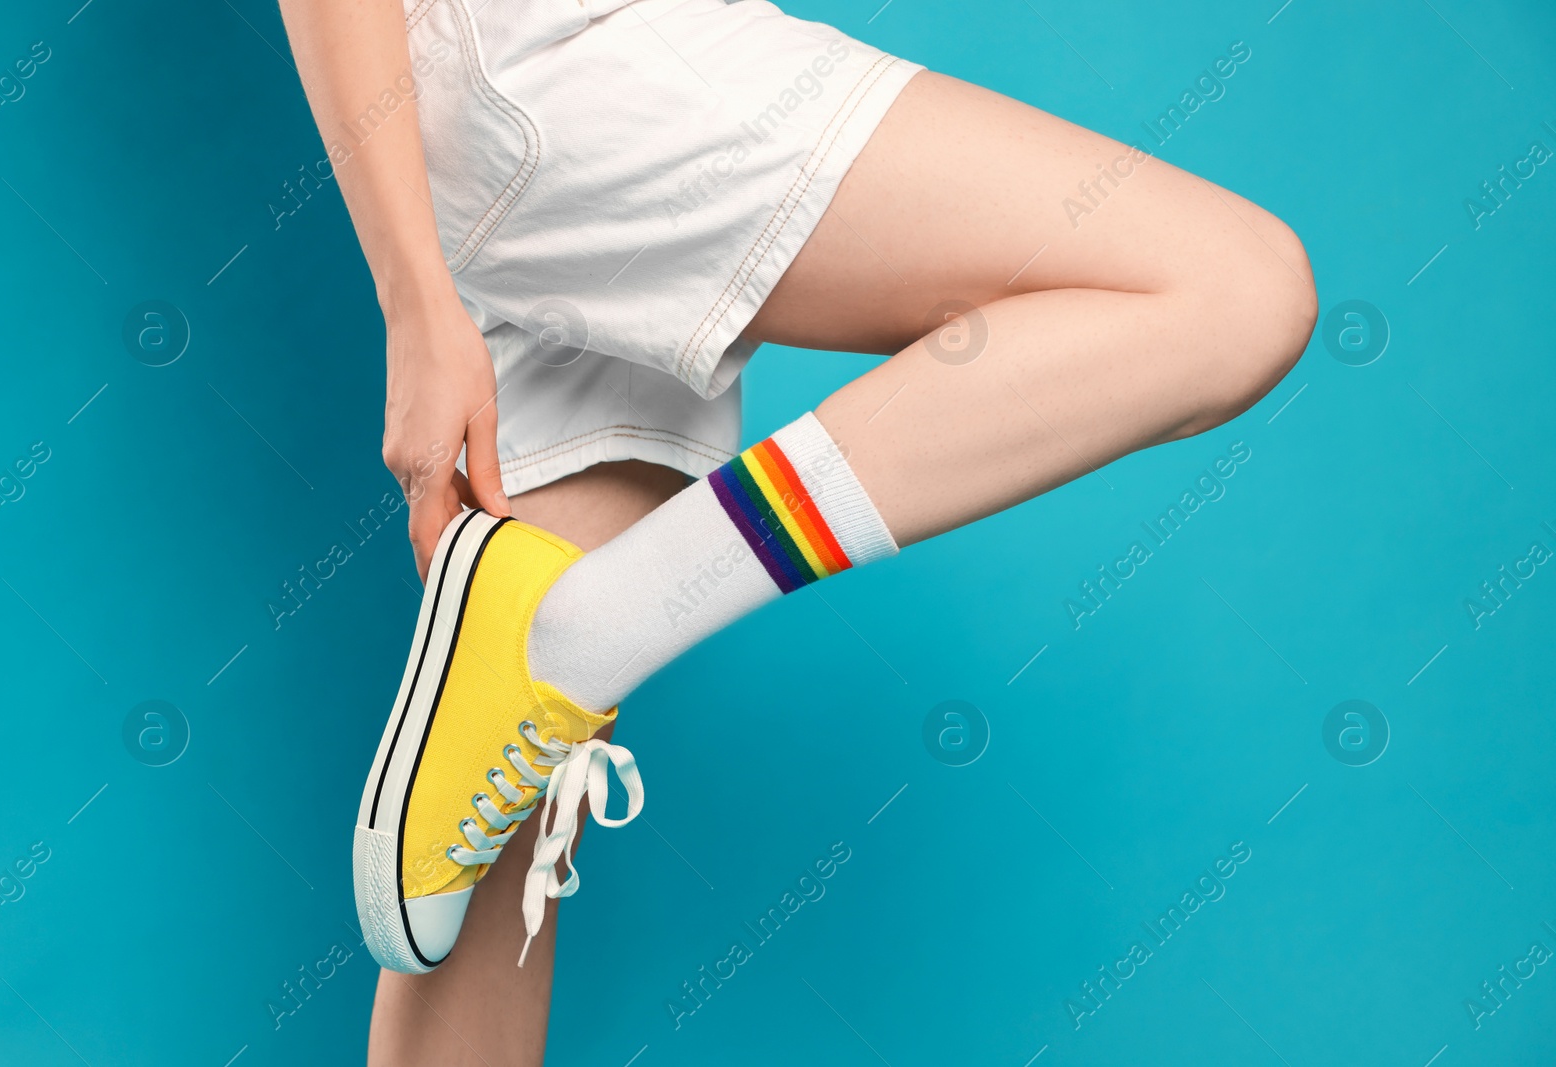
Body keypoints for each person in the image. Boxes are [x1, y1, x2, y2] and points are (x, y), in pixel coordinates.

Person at [277, 0, 1316, 1062]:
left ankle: (549, 645)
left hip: (522, 111)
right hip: (574, 63)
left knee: (495, 804)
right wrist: (413, 300)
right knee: (1235, 287)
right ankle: (582, 629)